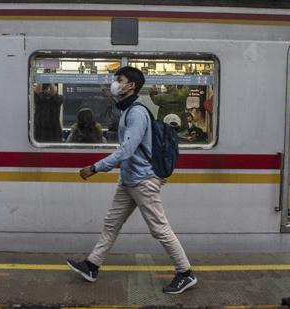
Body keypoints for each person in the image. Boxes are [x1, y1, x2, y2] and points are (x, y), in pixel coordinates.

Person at [67, 67, 197, 295]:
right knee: (111, 223)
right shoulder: (127, 110)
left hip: (143, 181)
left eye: (120, 80)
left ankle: (185, 273)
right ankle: (91, 266)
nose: (115, 83)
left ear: (131, 86)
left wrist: (96, 167)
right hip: (129, 180)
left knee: (160, 229)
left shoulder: (136, 113)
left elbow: (127, 149)